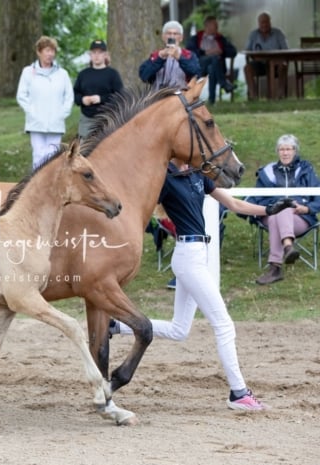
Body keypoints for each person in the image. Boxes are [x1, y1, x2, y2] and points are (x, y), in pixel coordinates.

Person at [110, 158, 295, 411]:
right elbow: (141, 208)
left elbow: (232, 203)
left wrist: (269, 210)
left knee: (179, 330)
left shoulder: (199, 175)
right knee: (224, 325)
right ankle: (239, 393)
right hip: (188, 256)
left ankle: (115, 325)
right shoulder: (166, 178)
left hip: (198, 254)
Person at [246, 134, 320, 285]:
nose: (285, 153)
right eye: (282, 149)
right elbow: (258, 197)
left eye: (289, 149)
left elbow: (318, 196)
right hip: (272, 213)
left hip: (300, 218)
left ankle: (275, 269)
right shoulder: (267, 172)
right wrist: (274, 206)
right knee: (281, 209)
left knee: (284, 209)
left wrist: (306, 209)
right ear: (277, 152)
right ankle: (287, 247)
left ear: (295, 151)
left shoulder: (306, 170)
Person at [17, 35, 74, 169]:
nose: (50, 54)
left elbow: (69, 97)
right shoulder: (28, 72)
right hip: (36, 123)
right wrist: (32, 112)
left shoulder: (62, 74)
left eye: (52, 51)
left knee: (53, 156)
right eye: (47, 50)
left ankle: (52, 186)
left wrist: (62, 114)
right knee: (38, 156)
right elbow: (22, 96)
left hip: (56, 123)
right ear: (39, 52)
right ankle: (36, 186)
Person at [73, 39, 124, 138]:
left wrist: (101, 99)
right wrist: (83, 100)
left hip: (107, 119)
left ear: (105, 55)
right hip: (86, 120)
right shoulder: (83, 74)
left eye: (100, 52)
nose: (96, 55)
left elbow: (120, 96)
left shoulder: (113, 74)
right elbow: (75, 94)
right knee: (84, 151)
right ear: (90, 55)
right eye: (94, 52)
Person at [186, 15, 237, 105]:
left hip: (218, 68)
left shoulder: (220, 38)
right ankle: (224, 83)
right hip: (200, 67)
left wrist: (222, 51)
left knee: (212, 68)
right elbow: (190, 52)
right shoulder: (197, 38)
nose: (217, 27)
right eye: (215, 25)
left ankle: (212, 101)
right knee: (213, 58)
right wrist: (206, 52)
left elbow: (233, 52)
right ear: (207, 26)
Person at [139, 20, 201, 91]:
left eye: (175, 34)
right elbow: (144, 76)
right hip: (158, 96)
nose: (172, 36)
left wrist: (179, 58)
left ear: (181, 38)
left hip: (181, 97)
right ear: (163, 37)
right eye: (169, 33)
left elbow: (197, 74)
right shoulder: (156, 55)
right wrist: (160, 58)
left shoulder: (188, 55)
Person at [244, 12, 289, 100]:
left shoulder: (278, 33)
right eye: (262, 22)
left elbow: (285, 49)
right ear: (258, 23)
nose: (264, 24)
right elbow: (247, 50)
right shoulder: (253, 34)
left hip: (276, 64)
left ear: (270, 22)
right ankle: (253, 96)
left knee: (283, 66)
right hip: (259, 64)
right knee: (247, 68)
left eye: (266, 22)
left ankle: (280, 94)